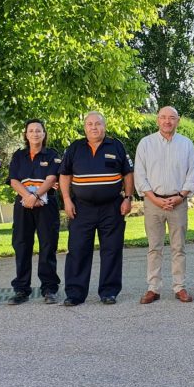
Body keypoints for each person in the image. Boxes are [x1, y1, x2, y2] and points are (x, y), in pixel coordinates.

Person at [59, 111, 134, 306]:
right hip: (81, 208)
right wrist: (66, 200)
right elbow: (64, 175)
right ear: (85, 128)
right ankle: (75, 294)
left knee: (112, 250)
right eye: (90, 124)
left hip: (112, 208)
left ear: (104, 126)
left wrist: (128, 198)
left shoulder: (116, 146)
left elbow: (128, 174)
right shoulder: (75, 148)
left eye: (98, 124)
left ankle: (109, 292)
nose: (94, 127)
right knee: (77, 250)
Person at [135, 106, 194, 304]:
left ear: (177, 120)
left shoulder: (186, 144)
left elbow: (192, 174)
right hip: (153, 202)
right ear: (157, 120)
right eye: (163, 117)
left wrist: (180, 196)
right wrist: (155, 199)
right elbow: (140, 175)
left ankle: (179, 287)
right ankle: (153, 288)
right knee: (154, 247)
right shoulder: (146, 144)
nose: (167, 121)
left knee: (178, 247)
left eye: (171, 118)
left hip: (178, 202)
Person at [6, 119, 62, 305]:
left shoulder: (52, 154)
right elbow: (13, 180)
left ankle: (49, 289)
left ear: (44, 134)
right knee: (21, 245)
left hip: (47, 205)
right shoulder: (18, 155)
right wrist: (28, 197)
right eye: (31, 130)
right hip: (23, 205)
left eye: (38, 130)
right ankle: (21, 290)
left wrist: (36, 195)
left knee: (48, 245)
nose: (35, 133)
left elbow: (51, 178)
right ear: (26, 134)